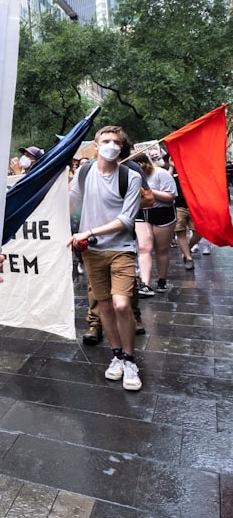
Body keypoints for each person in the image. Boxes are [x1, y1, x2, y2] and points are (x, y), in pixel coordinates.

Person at [68, 125, 143, 392]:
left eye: (116, 141)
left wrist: (88, 231)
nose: (111, 144)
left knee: (122, 304)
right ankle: (117, 355)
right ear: (96, 146)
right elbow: (71, 202)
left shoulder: (131, 177)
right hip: (93, 253)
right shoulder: (83, 172)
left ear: (121, 148)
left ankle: (131, 360)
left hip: (122, 248)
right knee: (104, 306)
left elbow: (125, 220)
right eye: (106, 140)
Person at [131, 152, 177, 294]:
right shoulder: (130, 176)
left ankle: (162, 280)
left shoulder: (160, 174)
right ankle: (145, 284)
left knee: (161, 249)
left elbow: (170, 196)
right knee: (144, 248)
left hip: (162, 212)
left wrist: (149, 191)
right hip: (141, 212)